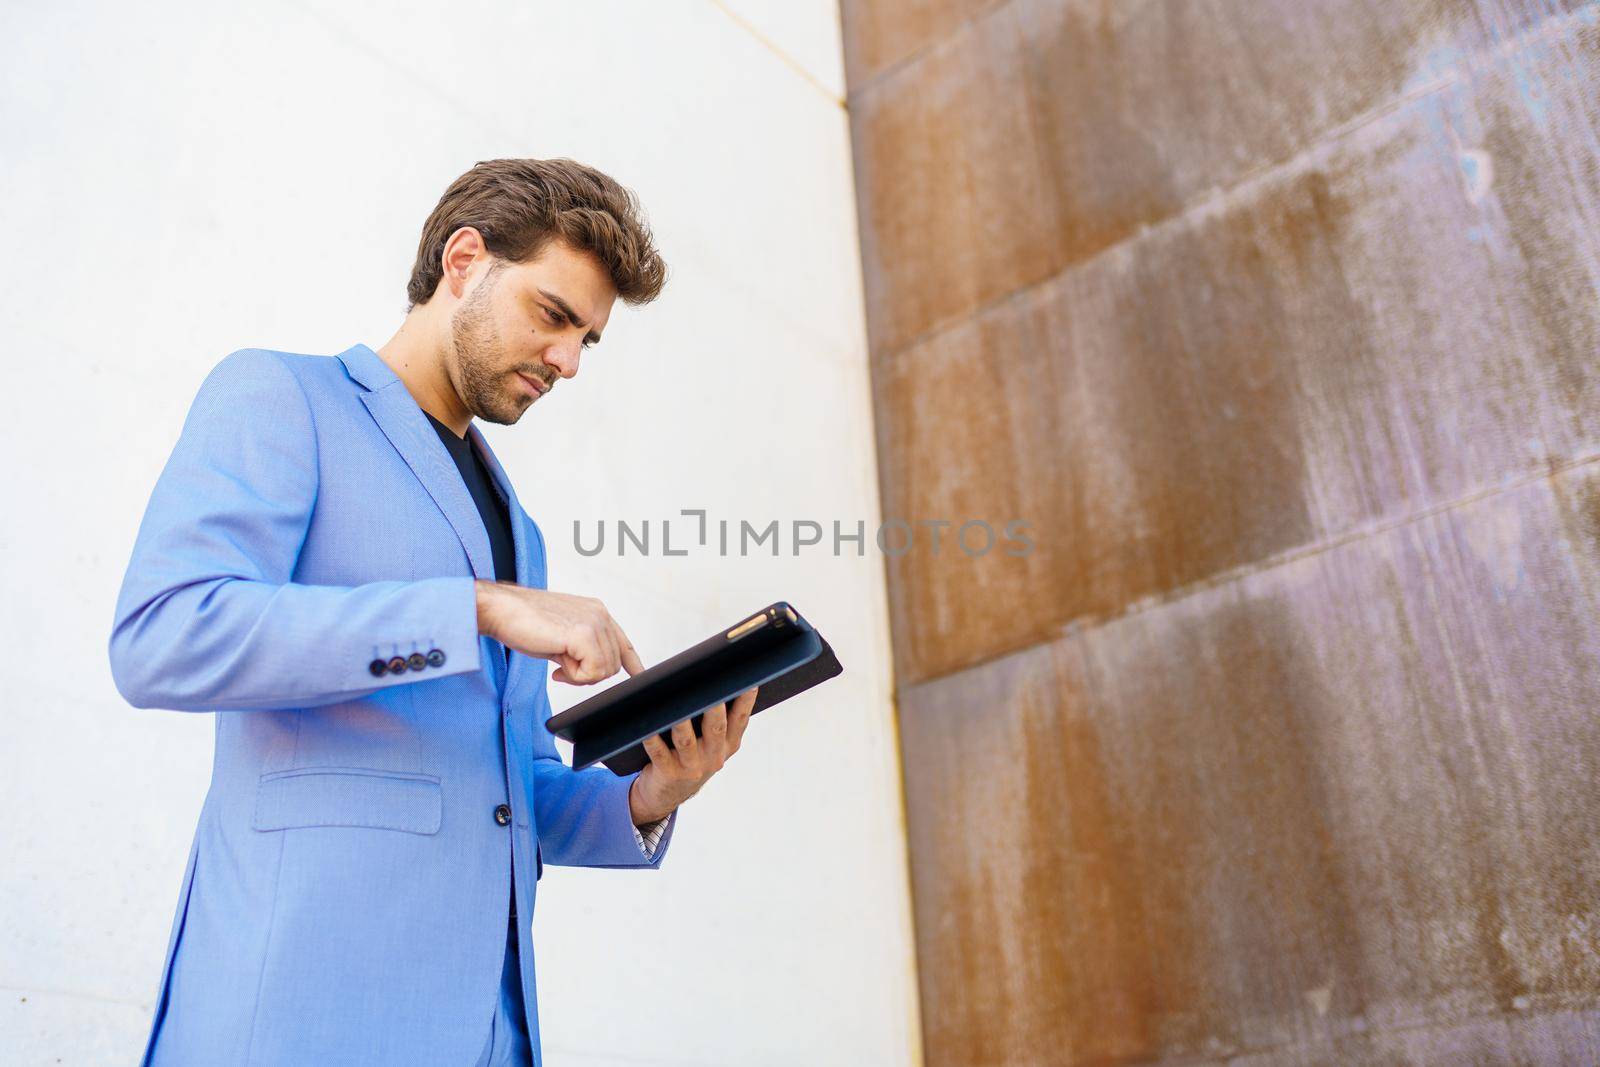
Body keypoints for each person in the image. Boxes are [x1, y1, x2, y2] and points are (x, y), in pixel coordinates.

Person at [108, 158, 758, 1066]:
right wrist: (474, 608)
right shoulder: (282, 398)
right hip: (295, 1018)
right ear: (464, 260)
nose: (569, 361)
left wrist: (651, 794)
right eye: (553, 315)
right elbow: (163, 639)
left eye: (588, 341)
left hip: (488, 1031)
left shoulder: (518, 530)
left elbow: (508, 788)